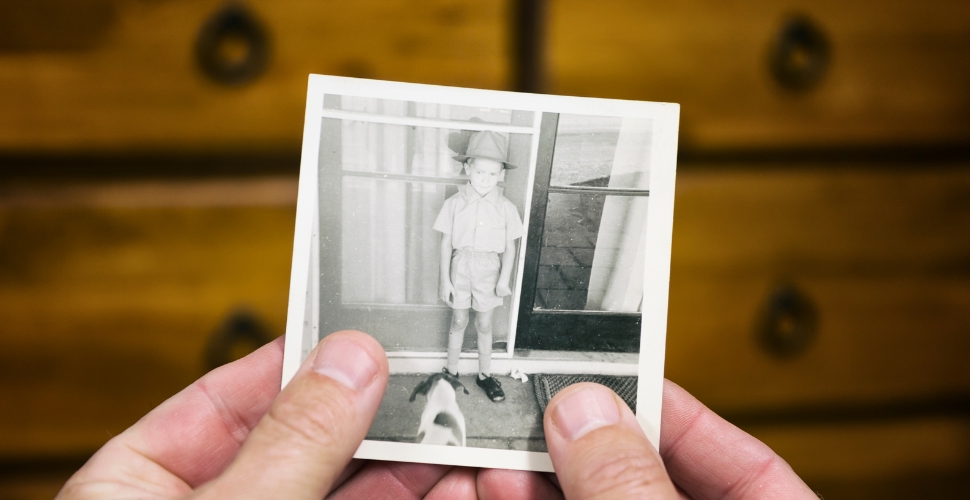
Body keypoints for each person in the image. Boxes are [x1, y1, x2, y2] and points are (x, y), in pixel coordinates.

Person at [56, 330, 820, 499]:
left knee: (482, 341)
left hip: (489, 299)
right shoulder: (462, 204)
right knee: (461, 337)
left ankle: (474, 375)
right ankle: (454, 378)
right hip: (463, 292)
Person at [433, 130, 525, 403]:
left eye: (492, 174)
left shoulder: (507, 208)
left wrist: (503, 280)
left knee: (484, 324)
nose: (486, 180)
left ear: (501, 175)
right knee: (459, 319)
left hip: (490, 270)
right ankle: (450, 372)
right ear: (467, 168)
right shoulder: (453, 204)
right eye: (480, 172)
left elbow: (510, 248)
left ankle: (484, 375)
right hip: (460, 266)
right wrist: (445, 281)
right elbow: (445, 244)